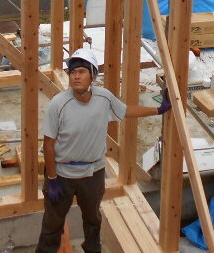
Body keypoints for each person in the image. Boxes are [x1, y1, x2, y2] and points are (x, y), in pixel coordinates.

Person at [36, 49, 171, 253]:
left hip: (93, 173)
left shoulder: (104, 99)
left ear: (92, 74)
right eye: (73, 72)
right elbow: (48, 143)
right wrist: (52, 178)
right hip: (62, 176)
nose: (76, 76)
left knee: (92, 221)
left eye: (81, 71)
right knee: (52, 225)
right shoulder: (59, 104)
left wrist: (158, 109)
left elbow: (126, 111)